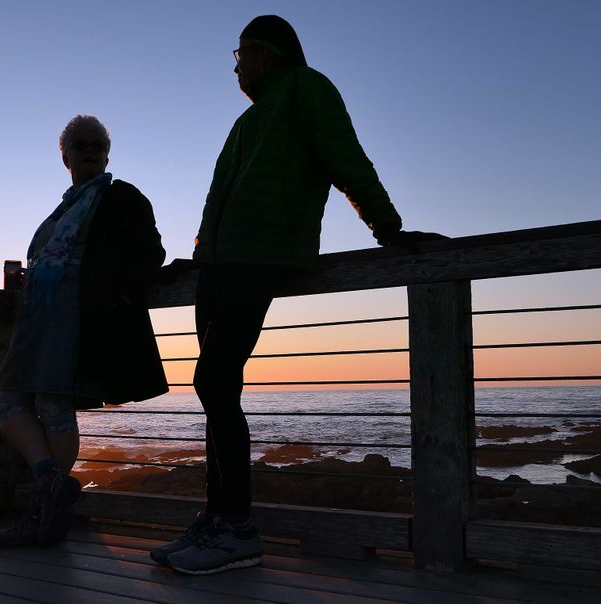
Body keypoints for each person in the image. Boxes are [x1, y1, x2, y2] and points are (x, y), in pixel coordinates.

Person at [151, 16, 444, 575]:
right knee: (217, 390)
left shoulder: (309, 88)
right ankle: (217, 521)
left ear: (266, 52)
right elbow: (223, 198)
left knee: (212, 380)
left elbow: (345, 159)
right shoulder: (248, 119)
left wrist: (389, 230)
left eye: (240, 53)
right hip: (219, 264)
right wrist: (200, 252)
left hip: (258, 257)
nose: (235, 64)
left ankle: (237, 529)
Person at [0, 115, 167, 547]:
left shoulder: (121, 197)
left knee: (53, 404)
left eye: (96, 145)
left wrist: (116, 294)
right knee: (3, 398)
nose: (88, 150)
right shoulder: (65, 207)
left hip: (77, 314)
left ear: (107, 155)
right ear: (64, 155)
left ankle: (42, 514)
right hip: (38, 315)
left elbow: (151, 253)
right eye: (79, 144)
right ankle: (52, 485)